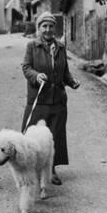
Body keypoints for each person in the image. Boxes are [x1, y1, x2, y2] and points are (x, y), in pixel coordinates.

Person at [21, 11, 80, 185]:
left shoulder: (61, 47)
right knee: (32, 138)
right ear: (38, 28)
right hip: (38, 101)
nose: (48, 30)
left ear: (55, 28)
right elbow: (26, 67)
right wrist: (36, 76)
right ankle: (30, 170)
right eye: (44, 26)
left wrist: (71, 82)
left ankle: (51, 170)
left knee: (54, 138)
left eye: (51, 26)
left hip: (58, 102)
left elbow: (65, 72)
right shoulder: (32, 46)